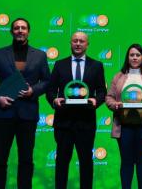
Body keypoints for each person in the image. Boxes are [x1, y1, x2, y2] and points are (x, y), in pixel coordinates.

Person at [0, 18, 50, 189]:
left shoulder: (40, 55)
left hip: (28, 114)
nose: (20, 30)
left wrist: (33, 91)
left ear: (28, 31)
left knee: (26, 160)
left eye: (24, 28)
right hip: (4, 113)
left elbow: (47, 81)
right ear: (11, 32)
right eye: (17, 28)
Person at [46, 32, 107, 189]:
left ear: (87, 44)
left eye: (81, 41)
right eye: (75, 41)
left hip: (86, 122)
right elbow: (51, 89)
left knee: (86, 161)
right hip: (63, 122)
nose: (78, 43)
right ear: (70, 43)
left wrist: (96, 100)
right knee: (61, 162)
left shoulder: (97, 65)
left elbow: (101, 91)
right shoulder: (59, 64)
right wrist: (54, 99)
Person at [106, 44, 142, 189]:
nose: (135, 58)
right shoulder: (118, 76)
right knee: (126, 162)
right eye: (132, 55)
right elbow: (109, 98)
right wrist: (115, 104)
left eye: (138, 55)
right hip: (124, 125)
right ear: (128, 57)